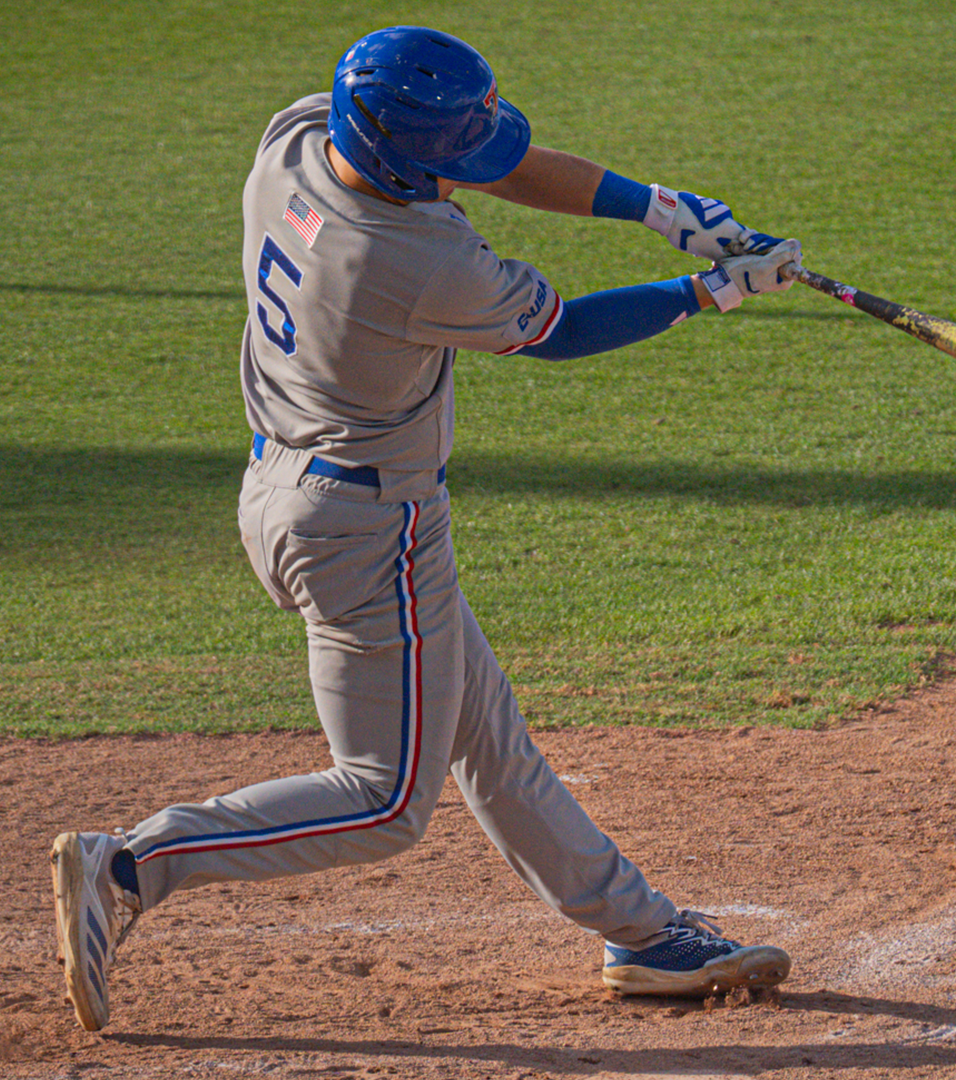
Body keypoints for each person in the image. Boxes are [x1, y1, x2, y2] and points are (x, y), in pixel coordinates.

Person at [50, 25, 806, 1032]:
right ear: (407, 164)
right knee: (384, 800)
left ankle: (640, 932)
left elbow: (495, 164)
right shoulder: (412, 261)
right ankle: (132, 865)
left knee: (486, 736)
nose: (472, 170)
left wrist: (661, 210)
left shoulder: (299, 139)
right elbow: (561, 331)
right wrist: (706, 290)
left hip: (289, 487)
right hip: (368, 530)